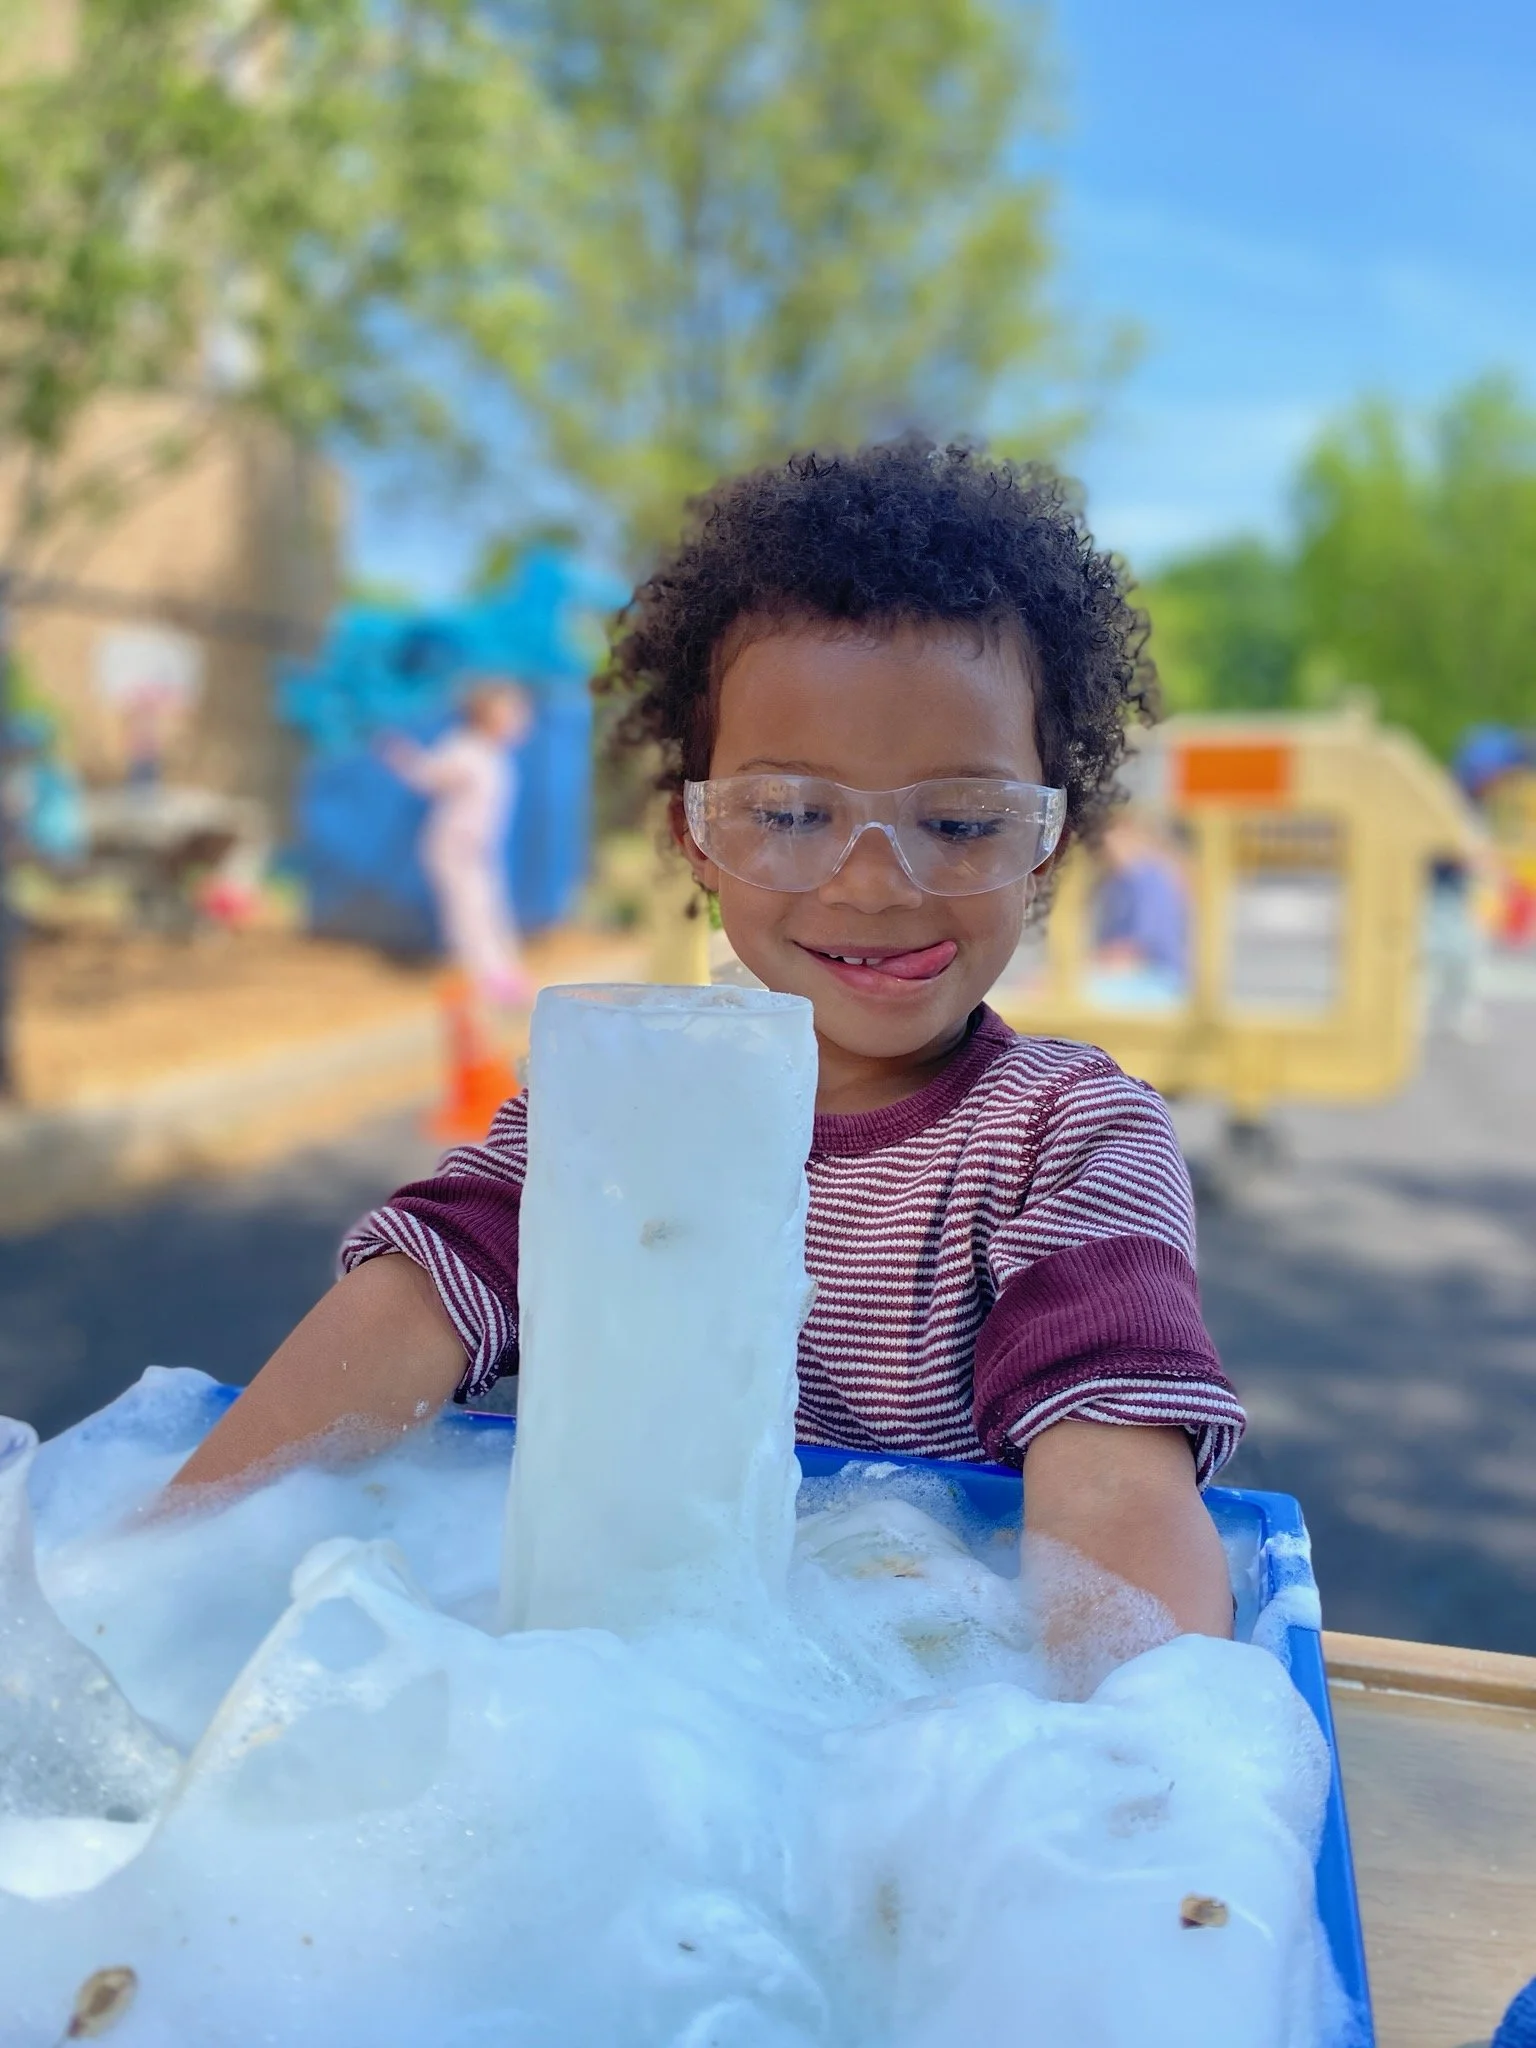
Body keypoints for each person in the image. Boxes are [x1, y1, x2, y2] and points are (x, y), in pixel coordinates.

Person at [171, 443, 1242, 1656]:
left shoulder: (1066, 1135)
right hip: (639, 1701)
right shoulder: (630, 1098)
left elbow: (1114, 1487)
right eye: (789, 814)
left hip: (926, 1709)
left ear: (1044, 844)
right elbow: (415, 1300)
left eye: (957, 820)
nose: (875, 883)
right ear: (697, 837)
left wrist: (1140, 1773)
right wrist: (164, 1560)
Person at [382, 678, 535, 1006]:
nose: (520, 720)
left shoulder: (494, 755)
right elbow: (427, 777)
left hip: (479, 850)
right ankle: (487, 983)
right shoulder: (465, 748)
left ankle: (505, 975)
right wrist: (402, 756)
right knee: (470, 915)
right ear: (487, 718)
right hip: (454, 848)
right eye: (512, 713)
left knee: (492, 911)